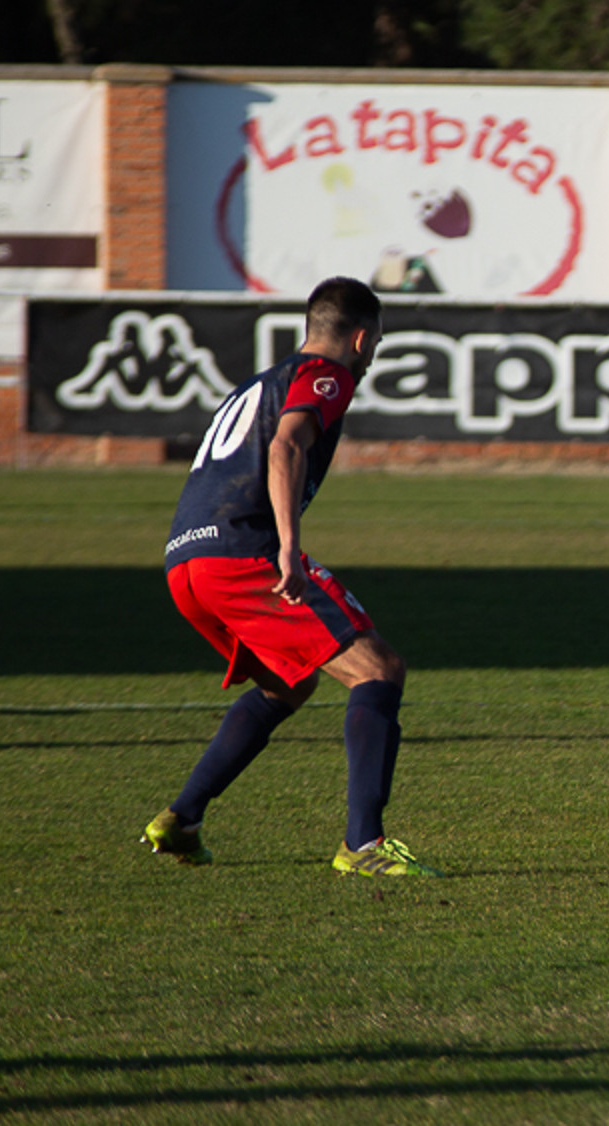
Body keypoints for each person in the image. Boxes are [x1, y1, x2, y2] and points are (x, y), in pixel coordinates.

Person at [142, 276, 442, 876]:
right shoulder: (327, 377)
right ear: (361, 338)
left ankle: (183, 818)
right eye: (376, 342)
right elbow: (286, 447)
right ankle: (364, 845)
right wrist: (288, 546)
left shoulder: (259, 384)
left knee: (289, 681)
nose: (373, 352)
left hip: (185, 560)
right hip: (241, 553)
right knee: (378, 669)